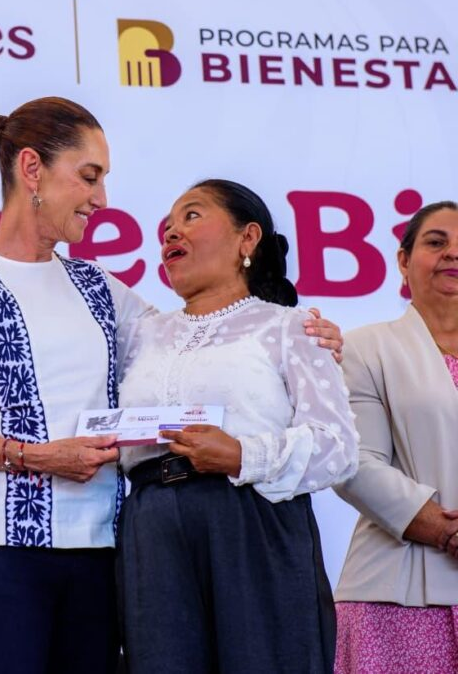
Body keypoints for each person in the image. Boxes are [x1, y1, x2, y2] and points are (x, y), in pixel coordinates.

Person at [0, 100, 344, 674]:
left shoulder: (96, 285)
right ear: (32, 169)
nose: (102, 198)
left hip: (103, 550)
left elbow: (199, 336)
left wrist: (311, 336)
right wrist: (41, 456)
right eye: (89, 177)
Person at [116, 179, 360, 673]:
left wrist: (243, 455)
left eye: (191, 216)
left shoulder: (289, 326)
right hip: (151, 525)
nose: (171, 233)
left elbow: (338, 448)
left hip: (250, 517)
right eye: (167, 226)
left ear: (247, 238)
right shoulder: (142, 334)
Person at [333, 201, 458, 673]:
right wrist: (444, 529)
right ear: (403, 260)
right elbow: (354, 461)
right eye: (436, 242)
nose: (453, 254)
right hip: (394, 596)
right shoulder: (365, 348)